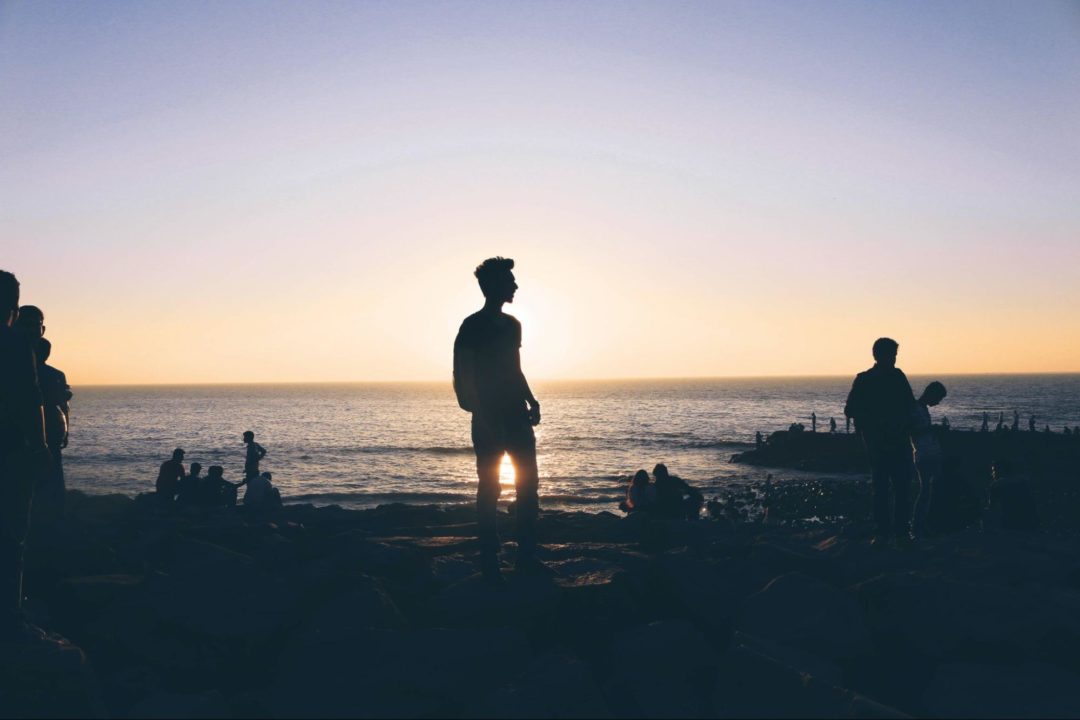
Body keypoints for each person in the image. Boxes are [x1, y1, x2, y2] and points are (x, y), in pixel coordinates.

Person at [453, 257, 543, 580]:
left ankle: (526, 555)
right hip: (489, 418)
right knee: (490, 486)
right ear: (492, 286)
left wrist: (531, 399)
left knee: (528, 485)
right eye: (509, 280)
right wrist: (480, 412)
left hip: (517, 414)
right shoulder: (472, 326)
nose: (515, 285)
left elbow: (515, 369)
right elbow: (463, 375)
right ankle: (490, 558)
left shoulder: (513, 325)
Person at [0, 271, 51, 641]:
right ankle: (9, 619)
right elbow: (30, 402)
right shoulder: (16, 344)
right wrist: (41, 448)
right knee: (12, 535)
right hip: (12, 451)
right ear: (13, 307)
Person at [844, 337, 916, 548]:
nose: (893, 359)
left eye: (895, 355)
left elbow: (851, 410)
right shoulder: (875, 378)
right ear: (879, 355)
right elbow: (851, 409)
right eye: (891, 355)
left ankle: (892, 533)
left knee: (890, 486)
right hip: (883, 441)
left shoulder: (883, 377)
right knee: (890, 486)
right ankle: (891, 533)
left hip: (884, 440)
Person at [33, 338, 71, 525]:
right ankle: (57, 513)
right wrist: (67, 430)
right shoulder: (56, 374)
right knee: (55, 469)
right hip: (54, 425)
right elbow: (65, 405)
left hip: (39, 426)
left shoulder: (24, 372)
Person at [911, 381, 947, 538]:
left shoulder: (921, 408)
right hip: (924, 454)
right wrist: (933, 429)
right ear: (930, 393)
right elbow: (912, 431)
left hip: (929, 452)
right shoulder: (915, 408)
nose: (938, 402)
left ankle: (924, 524)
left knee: (929, 490)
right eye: (938, 398)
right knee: (926, 491)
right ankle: (919, 525)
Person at [985, 458, 1039, 532]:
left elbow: (992, 508)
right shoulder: (1023, 482)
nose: (993, 474)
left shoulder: (998, 485)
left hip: (1010, 523)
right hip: (1030, 522)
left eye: (994, 471)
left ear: (1000, 470)